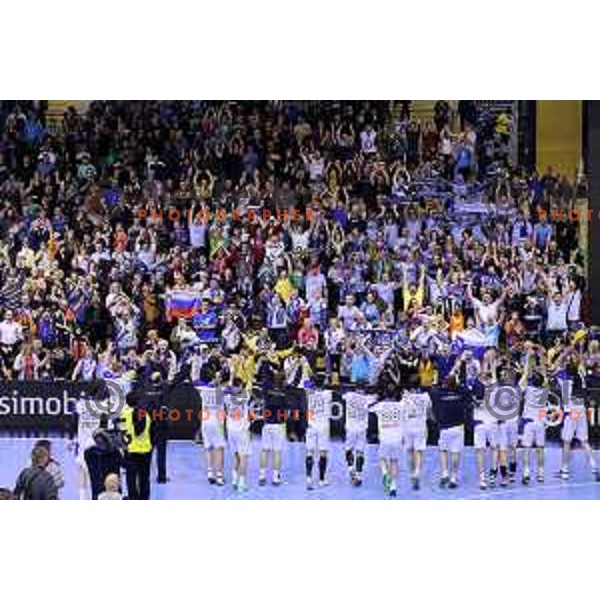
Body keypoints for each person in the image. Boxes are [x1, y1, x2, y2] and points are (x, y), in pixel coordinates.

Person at [430, 377, 472, 488]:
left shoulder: (438, 393)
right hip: (458, 428)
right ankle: (453, 478)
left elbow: (433, 389)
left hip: (444, 428)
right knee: (455, 453)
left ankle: (444, 473)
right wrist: (456, 385)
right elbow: (467, 390)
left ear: (445, 384)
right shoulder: (461, 393)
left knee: (443, 451)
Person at [370, 384, 403, 497]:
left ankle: (384, 473)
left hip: (384, 438)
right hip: (397, 439)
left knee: (382, 458)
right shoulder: (401, 406)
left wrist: (378, 399)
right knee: (394, 462)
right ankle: (393, 486)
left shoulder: (380, 405)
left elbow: (368, 407)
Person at [119, 394, 153, 500]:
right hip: (146, 450)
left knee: (131, 478)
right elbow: (151, 432)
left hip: (131, 450)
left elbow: (121, 432)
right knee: (144, 478)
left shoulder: (124, 414)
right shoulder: (146, 415)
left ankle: (133, 498)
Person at [399, 386, 432, 490]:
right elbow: (429, 410)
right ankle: (417, 473)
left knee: (409, 451)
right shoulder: (426, 396)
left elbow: (400, 412)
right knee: (419, 451)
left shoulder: (405, 397)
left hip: (407, 427)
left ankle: (412, 473)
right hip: (420, 427)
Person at [343, 384, 376, 486]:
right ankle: (359, 476)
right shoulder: (368, 398)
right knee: (360, 452)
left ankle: (351, 469)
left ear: (356, 389)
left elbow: (342, 395)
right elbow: (376, 397)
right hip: (362, 429)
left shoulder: (349, 395)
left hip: (350, 429)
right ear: (364, 390)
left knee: (348, 450)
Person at [304, 381, 333, 490]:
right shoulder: (328, 394)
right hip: (323, 427)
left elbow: (306, 384)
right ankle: (321, 479)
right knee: (323, 453)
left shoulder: (309, 394)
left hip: (311, 426)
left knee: (309, 452)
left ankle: (309, 479)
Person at [198, 376, 226, 485]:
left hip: (205, 422)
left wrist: (210, 384)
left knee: (208, 447)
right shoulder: (221, 392)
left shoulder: (203, 391)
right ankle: (219, 476)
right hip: (217, 423)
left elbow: (196, 381)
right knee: (219, 449)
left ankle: (210, 473)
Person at [258, 387, 288, 486]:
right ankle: (275, 478)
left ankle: (262, 476)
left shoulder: (266, 391)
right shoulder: (285, 394)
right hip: (279, 425)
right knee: (277, 452)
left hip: (267, 425)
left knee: (264, 450)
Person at [84, 429, 124, 500]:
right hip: (101, 491)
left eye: (101, 440)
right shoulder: (90, 453)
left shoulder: (114, 453)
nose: (100, 443)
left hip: (110, 490)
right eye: (98, 440)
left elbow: (125, 464)